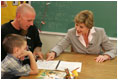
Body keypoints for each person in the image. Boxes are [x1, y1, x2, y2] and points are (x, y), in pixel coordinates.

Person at [46, 10, 116, 62]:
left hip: (95, 63)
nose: (77, 29)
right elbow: (60, 46)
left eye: (81, 27)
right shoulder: (71, 32)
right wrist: (53, 53)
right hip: (78, 63)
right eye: (76, 25)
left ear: (89, 27)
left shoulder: (100, 32)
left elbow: (112, 50)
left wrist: (106, 56)